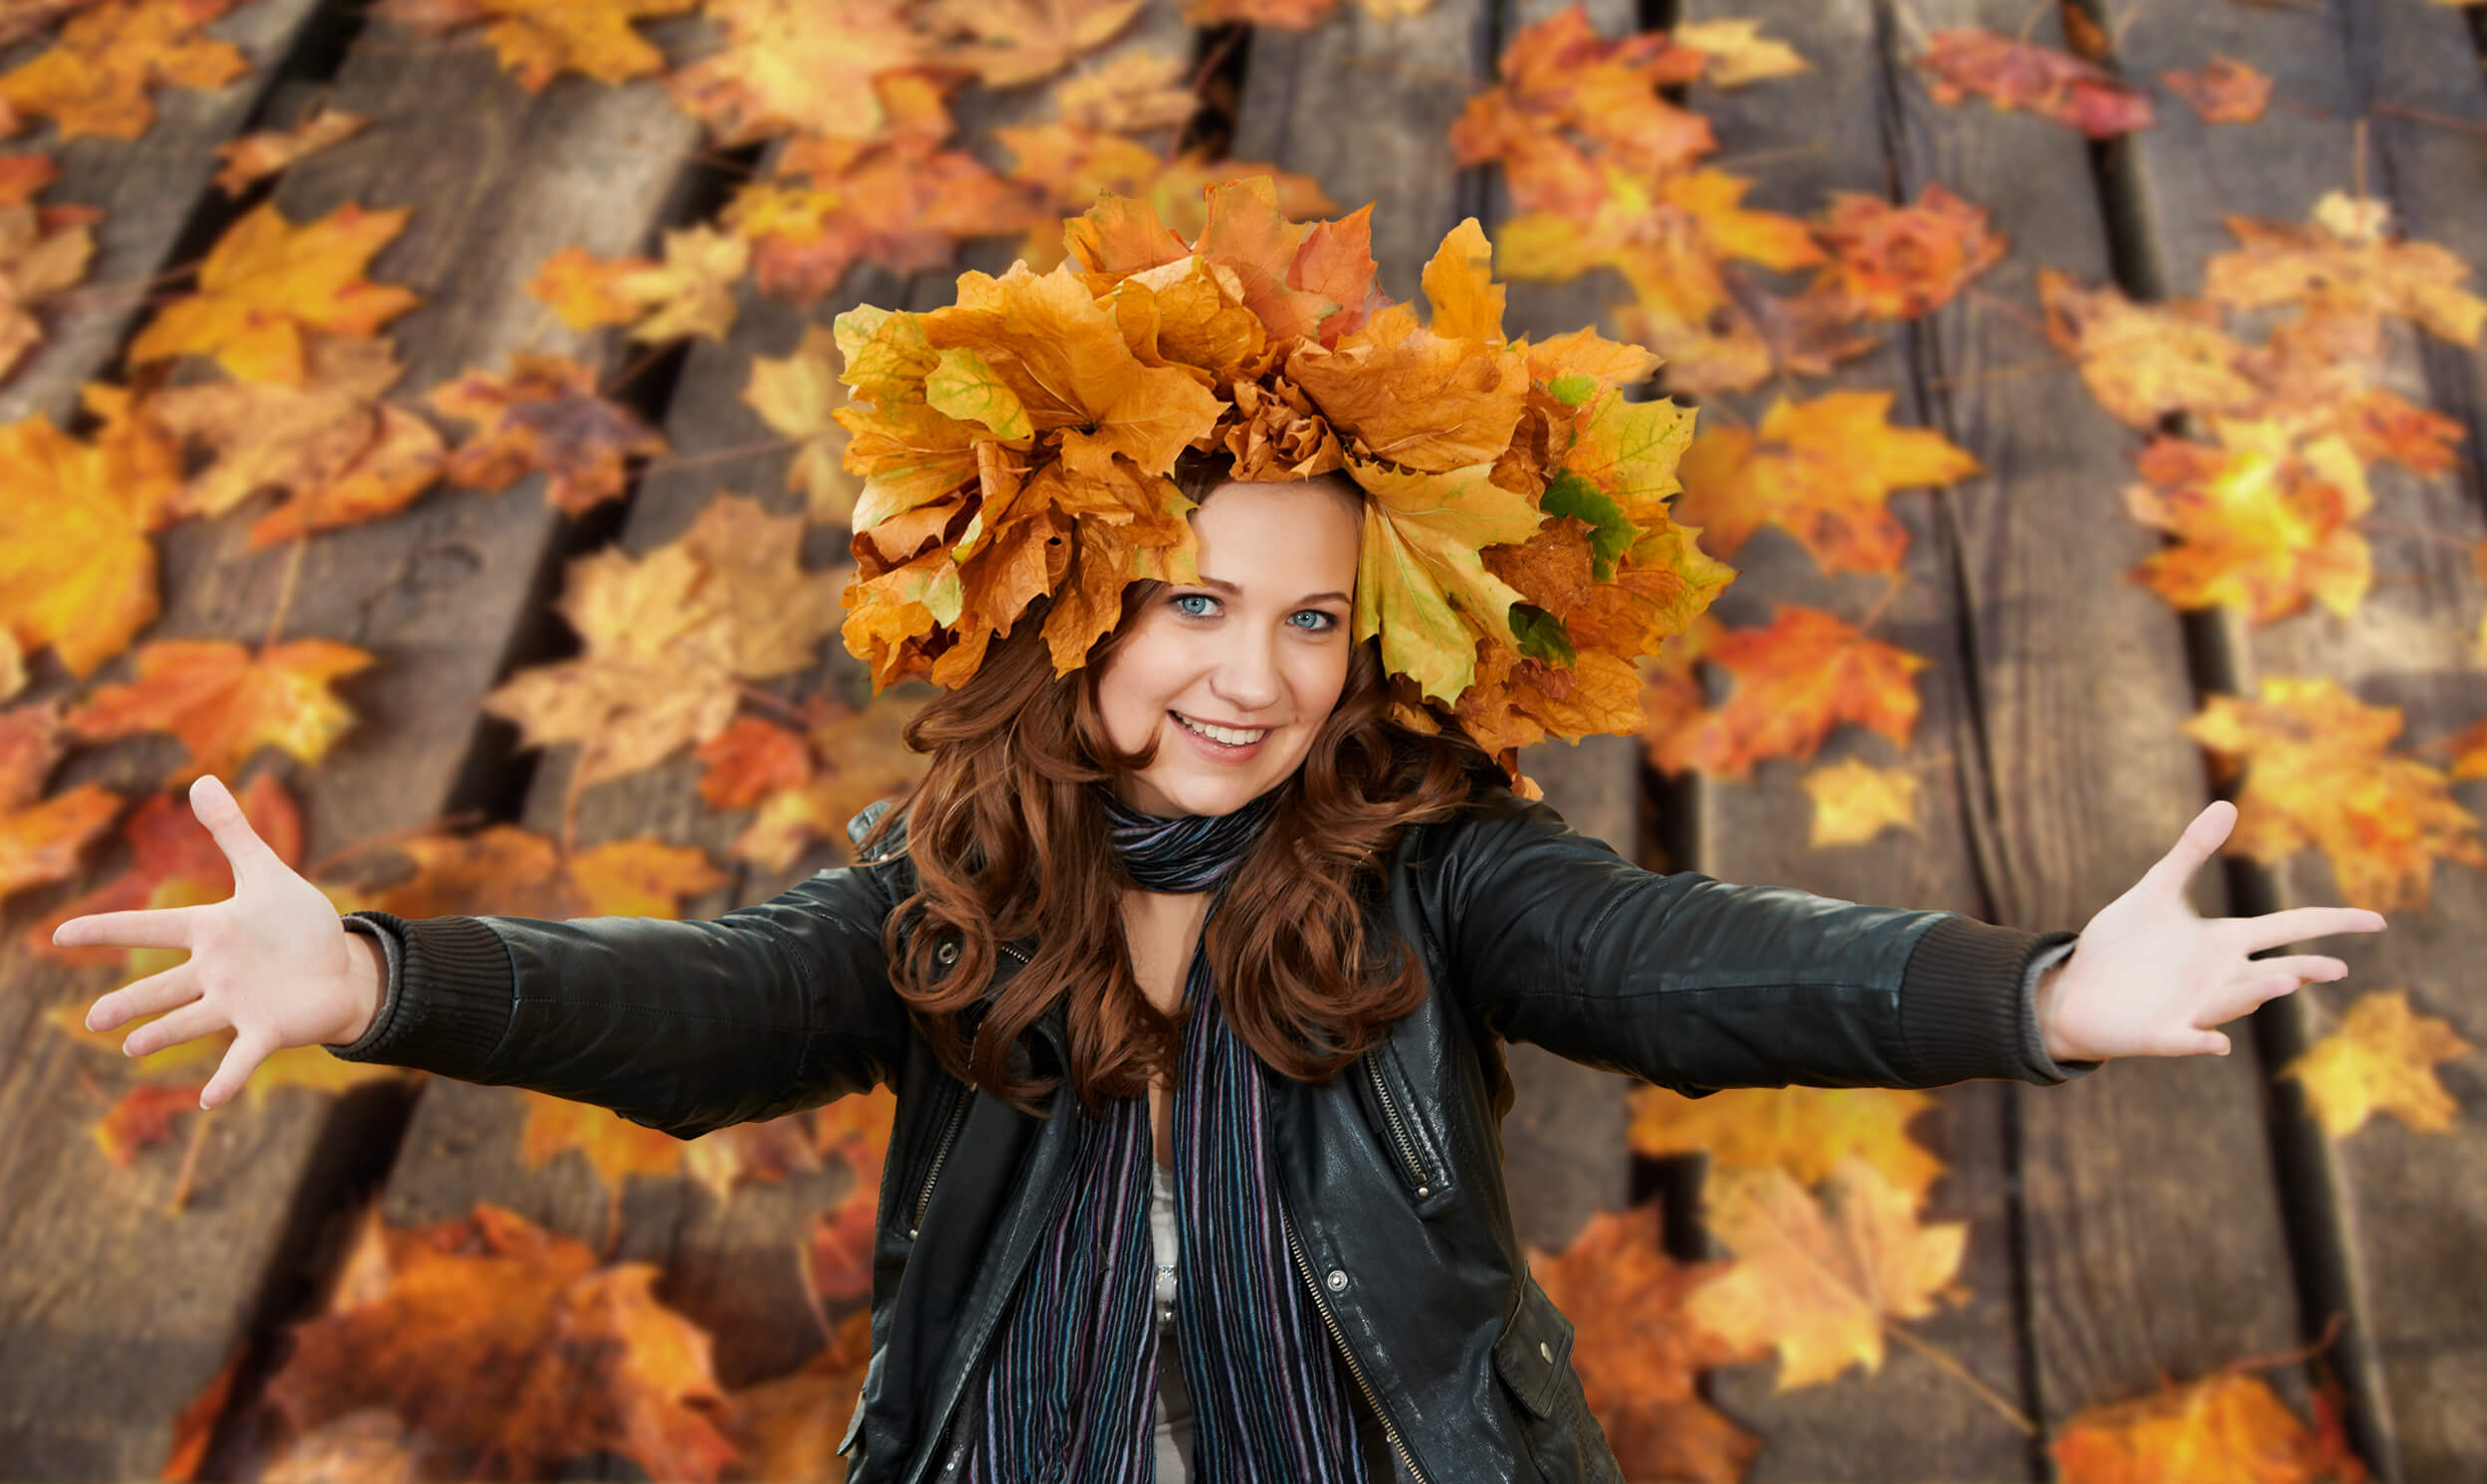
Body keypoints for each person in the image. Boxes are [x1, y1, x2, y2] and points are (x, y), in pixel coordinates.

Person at [65, 184, 2386, 1484]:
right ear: (1065, 591)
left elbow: (1691, 958)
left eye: (1307, 615)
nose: (1248, 673)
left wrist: (2045, 992)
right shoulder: (944, 891)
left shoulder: (1435, 871)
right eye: (1186, 596)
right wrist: (387, 972)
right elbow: (701, 1002)